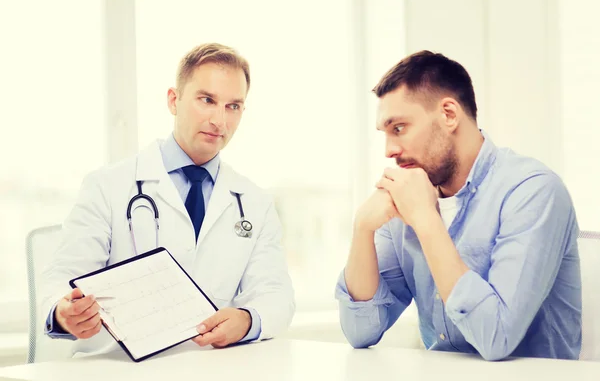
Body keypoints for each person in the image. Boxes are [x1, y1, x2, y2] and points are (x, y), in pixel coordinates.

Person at [41, 43, 295, 356]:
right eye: (207, 100)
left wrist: (247, 320)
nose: (220, 120)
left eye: (233, 106)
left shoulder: (254, 202)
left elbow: (276, 295)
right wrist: (63, 313)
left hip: (213, 369)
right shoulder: (107, 186)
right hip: (117, 370)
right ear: (174, 100)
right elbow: (62, 280)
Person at [335, 50, 581, 361]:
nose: (389, 150)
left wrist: (425, 219)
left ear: (449, 114)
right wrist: (362, 228)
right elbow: (360, 332)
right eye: (385, 134)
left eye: (398, 128)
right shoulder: (409, 195)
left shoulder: (532, 191)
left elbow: (496, 338)